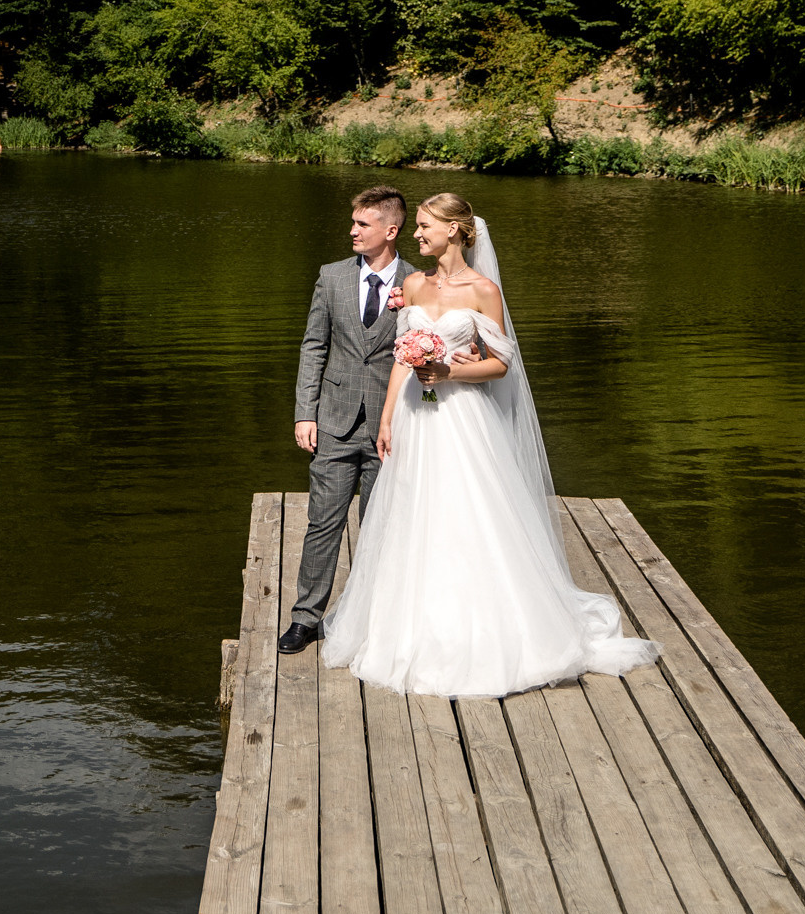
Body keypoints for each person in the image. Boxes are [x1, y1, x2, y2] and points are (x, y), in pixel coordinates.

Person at [320, 192, 659, 697]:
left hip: (460, 420)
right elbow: (399, 359)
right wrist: (387, 418)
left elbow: (501, 364)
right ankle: (407, 628)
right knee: (413, 515)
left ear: (454, 230)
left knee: (465, 514)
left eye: (426, 226)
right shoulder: (413, 283)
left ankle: (480, 630)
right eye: (416, 226)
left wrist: (448, 369)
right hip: (415, 418)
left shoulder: (483, 291)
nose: (417, 234)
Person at [279, 186, 418, 656]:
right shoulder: (331, 276)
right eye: (353, 222)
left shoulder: (417, 284)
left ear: (390, 230)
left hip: (393, 427)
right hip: (334, 422)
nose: (352, 231)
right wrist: (305, 412)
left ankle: (372, 619)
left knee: (381, 526)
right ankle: (305, 618)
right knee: (323, 522)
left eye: (363, 224)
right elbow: (313, 346)